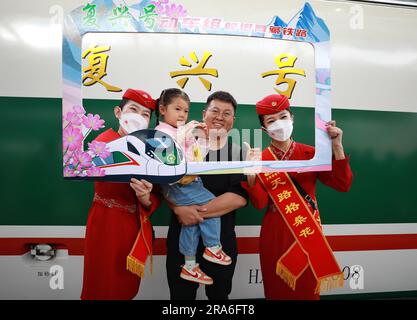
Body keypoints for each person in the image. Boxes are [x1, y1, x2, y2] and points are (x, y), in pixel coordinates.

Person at [242, 93, 353, 300]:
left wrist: (337, 145)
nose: (279, 124)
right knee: (277, 291)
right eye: (272, 120)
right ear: (264, 129)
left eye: (283, 117)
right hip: (275, 234)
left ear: (292, 118)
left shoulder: (311, 153)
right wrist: (250, 173)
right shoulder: (261, 158)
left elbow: (342, 184)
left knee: (307, 291)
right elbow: (259, 204)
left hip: (307, 231)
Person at [165, 91, 248, 300]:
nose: (220, 117)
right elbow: (164, 185)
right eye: (215, 111)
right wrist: (177, 209)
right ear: (204, 113)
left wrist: (193, 212)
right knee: (180, 299)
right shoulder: (181, 144)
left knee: (219, 298)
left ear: (233, 120)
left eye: (227, 113)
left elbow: (239, 196)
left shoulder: (239, 153)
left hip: (221, 243)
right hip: (182, 236)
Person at [81, 88, 161, 300]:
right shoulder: (102, 142)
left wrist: (146, 198)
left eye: (145, 114)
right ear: (118, 112)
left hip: (134, 225)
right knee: (101, 284)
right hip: (106, 222)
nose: (138, 117)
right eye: (133, 109)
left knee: (126, 287)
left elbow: (157, 194)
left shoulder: (151, 149)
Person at [154, 88, 232, 286]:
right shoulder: (162, 132)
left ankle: (190, 265)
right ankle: (213, 247)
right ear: (163, 109)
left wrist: (203, 140)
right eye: (177, 109)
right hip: (180, 184)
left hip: (189, 181)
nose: (182, 114)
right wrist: (186, 131)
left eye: (186, 111)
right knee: (211, 208)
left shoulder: (179, 131)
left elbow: (196, 156)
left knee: (192, 224)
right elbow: (172, 156)